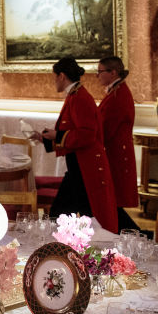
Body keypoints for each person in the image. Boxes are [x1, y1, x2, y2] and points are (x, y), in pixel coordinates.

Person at [32, 56, 118, 232]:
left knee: (64, 215)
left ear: (62, 76)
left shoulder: (79, 97)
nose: (54, 81)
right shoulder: (75, 95)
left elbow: (86, 134)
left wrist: (57, 135)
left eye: (54, 77)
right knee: (72, 215)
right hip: (79, 167)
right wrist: (46, 138)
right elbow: (73, 133)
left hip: (85, 168)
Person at [96, 56, 141, 232]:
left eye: (100, 72)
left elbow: (106, 127)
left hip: (116, 155)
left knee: (112, 200)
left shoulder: (118, 94)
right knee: (111, 202)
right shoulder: (116, 91)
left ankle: (137, 234)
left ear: (112, 72)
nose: (97, 76)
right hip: (114, 152)